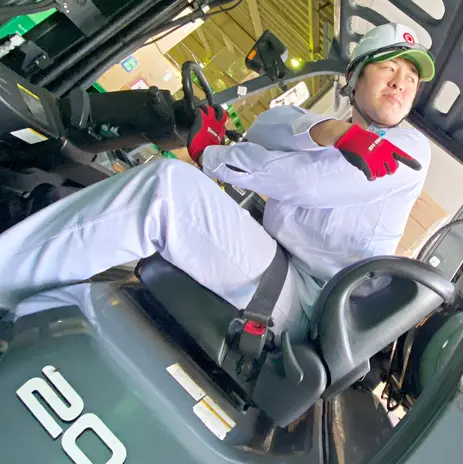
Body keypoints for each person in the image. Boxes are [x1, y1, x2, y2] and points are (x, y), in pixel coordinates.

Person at [0, 23, 436, 339]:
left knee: (165, 191)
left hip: (306, 301)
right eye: (389, 68)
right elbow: (268, 128)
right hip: (280, 270)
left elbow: (304, 184)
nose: (401, 84)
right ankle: (31, 307)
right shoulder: (340, 132)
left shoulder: (407, 150)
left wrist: (210, 156)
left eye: (411, 79)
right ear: (355, 76)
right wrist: (332, 131)